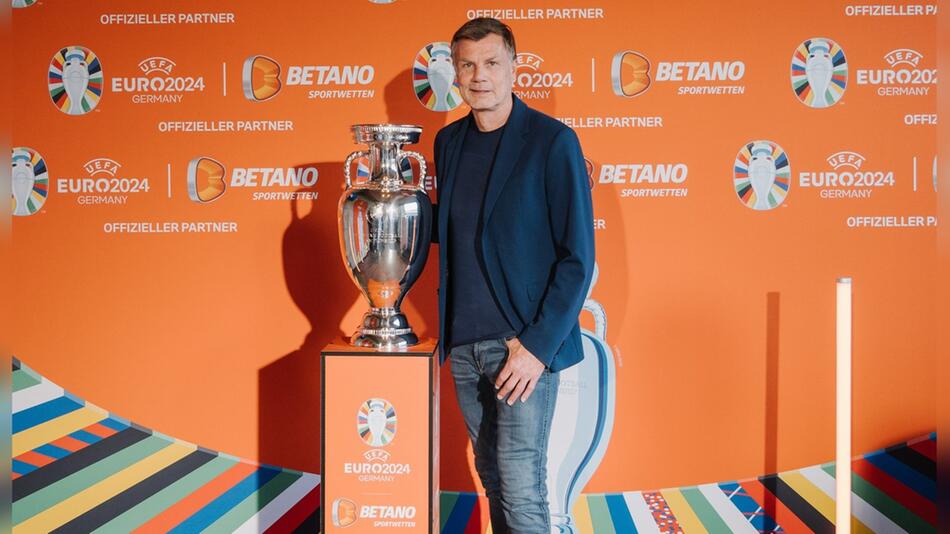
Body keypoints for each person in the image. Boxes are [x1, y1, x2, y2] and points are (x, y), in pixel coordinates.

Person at [430, 17, 595, 533]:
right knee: (494, 478)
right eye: (468, 65)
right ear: (455, 73)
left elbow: (578, 258)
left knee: (521, 484)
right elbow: (454, 230)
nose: (480, 76)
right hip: (462, 346)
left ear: (514, 67)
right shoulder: (447, 141)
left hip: (519, 348)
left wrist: (536, 348)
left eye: (492, 63)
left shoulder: (552, 143)